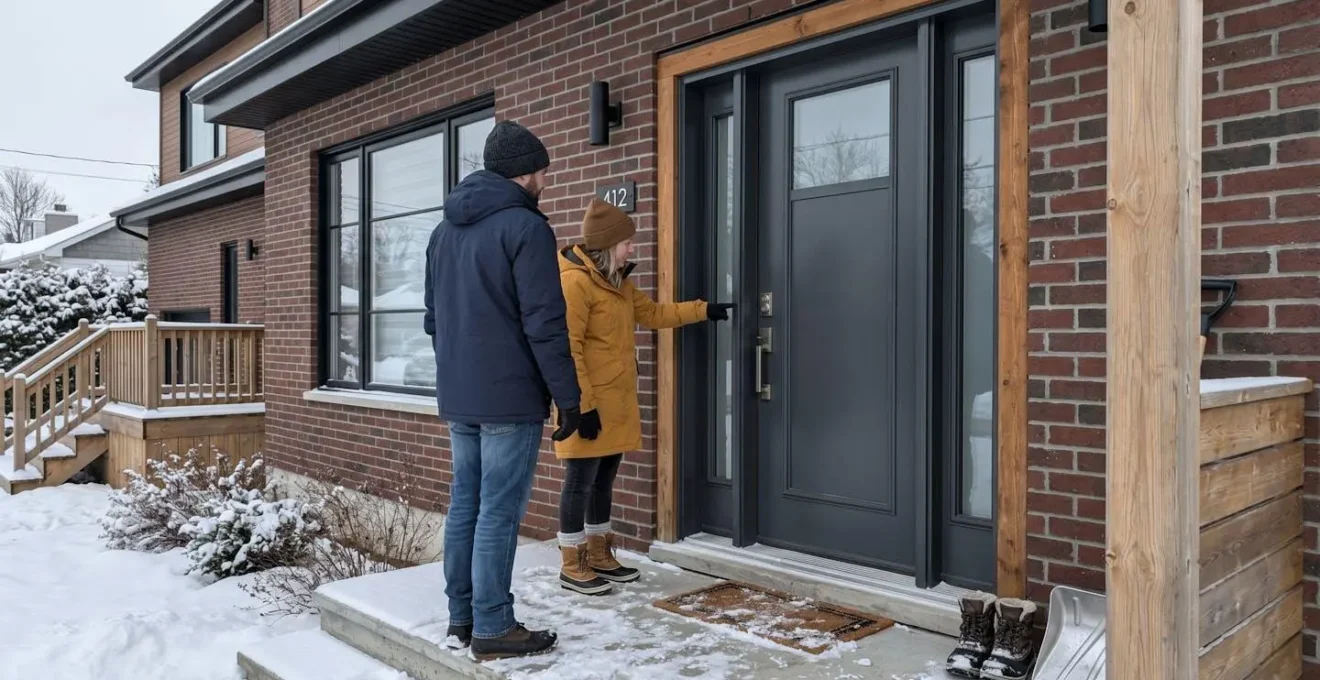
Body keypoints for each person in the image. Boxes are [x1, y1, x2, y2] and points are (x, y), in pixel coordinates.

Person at [424, 120, 583, 660]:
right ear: (523, 171)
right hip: (510, 396)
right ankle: (493, 627)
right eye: (541, 170)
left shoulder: (442, 232)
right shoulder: (526, 227)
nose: (545, 180)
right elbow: (544, 321)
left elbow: (433, 320)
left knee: (464, 504)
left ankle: (462, 619)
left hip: (460, 394)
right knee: (497, 510)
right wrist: (568, 397)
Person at [553, 198, 733, 595]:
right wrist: (581, 407)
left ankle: (600, 555)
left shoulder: (619, 284)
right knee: (578, 484)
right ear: (607, 244)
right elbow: (569, 348)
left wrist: (705, 310)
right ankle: (572, 563)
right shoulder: (575, 283)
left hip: (616, 403)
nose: (632, 248)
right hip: (588, 406)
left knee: (603, 481)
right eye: (626, 242)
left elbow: (654, 315)